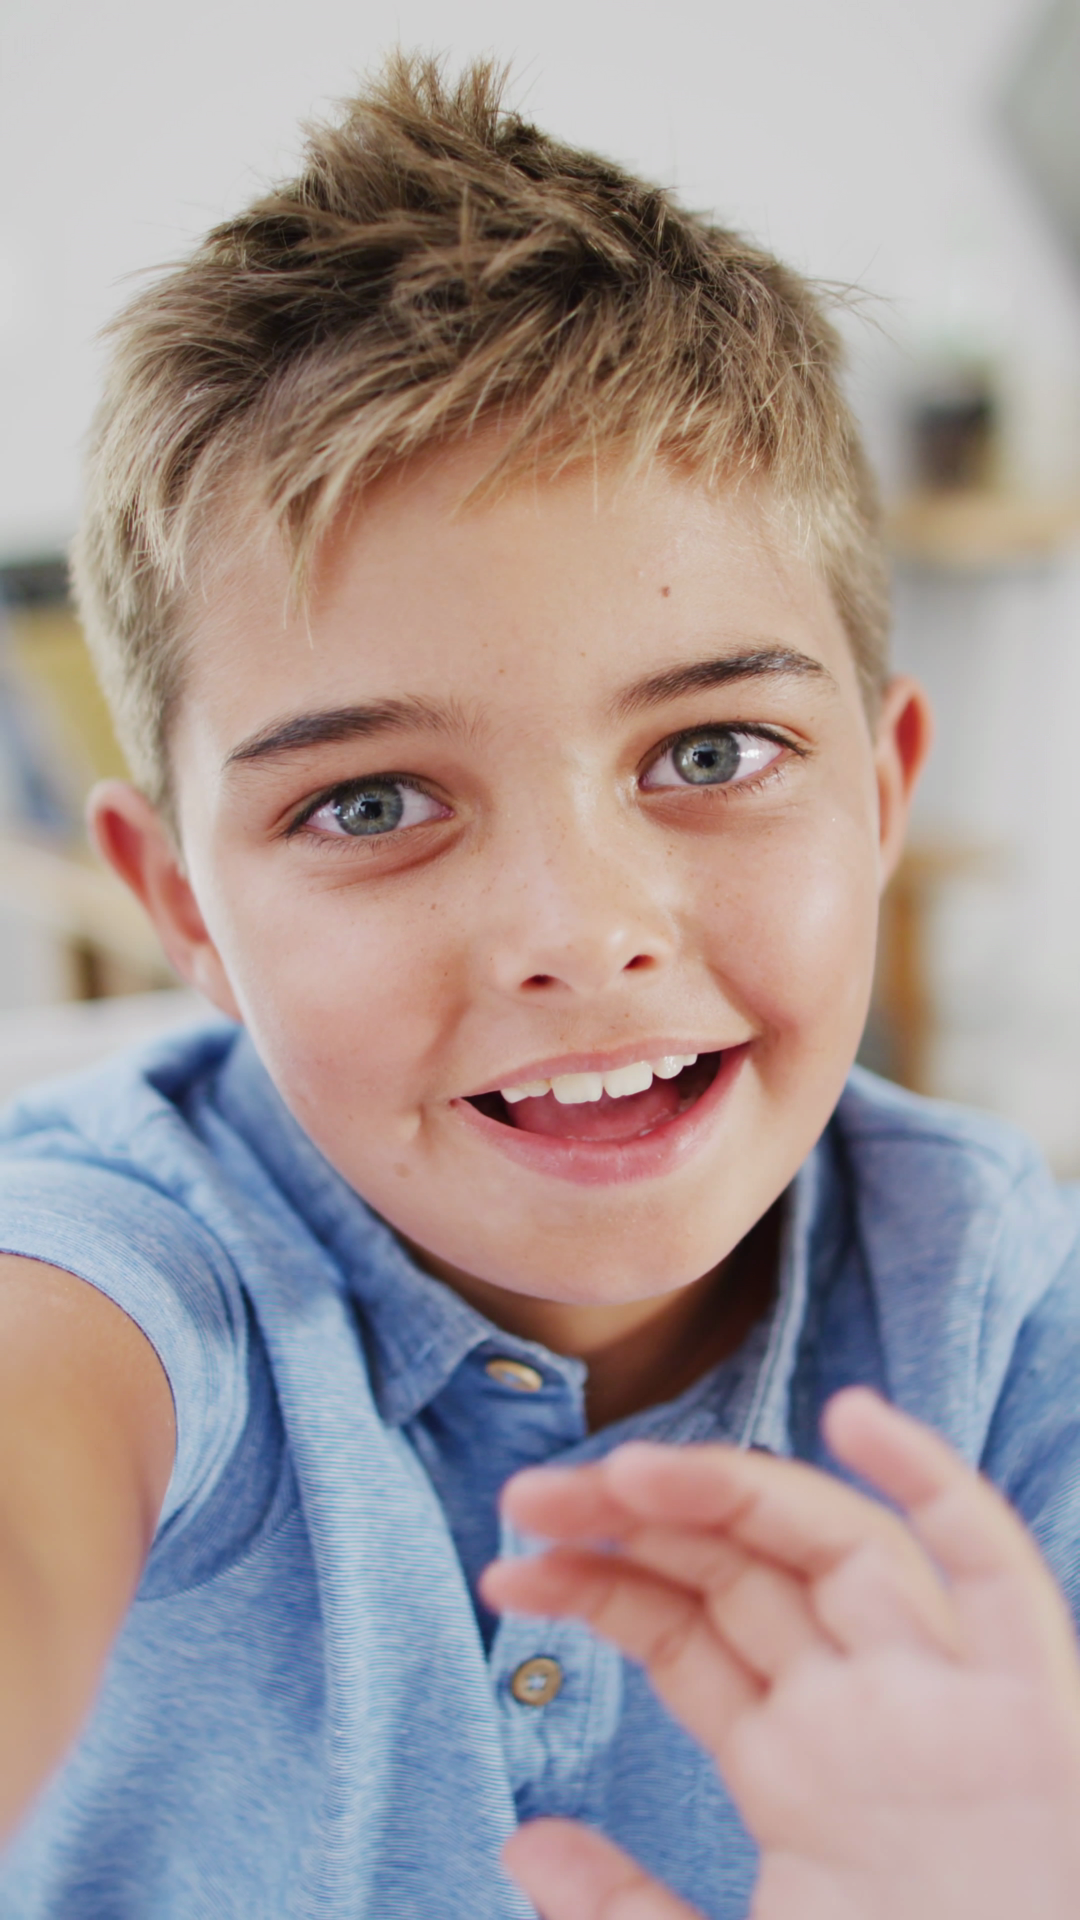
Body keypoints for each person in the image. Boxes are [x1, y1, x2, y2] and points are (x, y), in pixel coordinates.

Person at [1, 53, 1079, 1920]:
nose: (579, 929)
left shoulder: (1003, 1319)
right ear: (183, 903)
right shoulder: (118, 1276)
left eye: (713, 753)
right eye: (369, 802)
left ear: (882, 789)